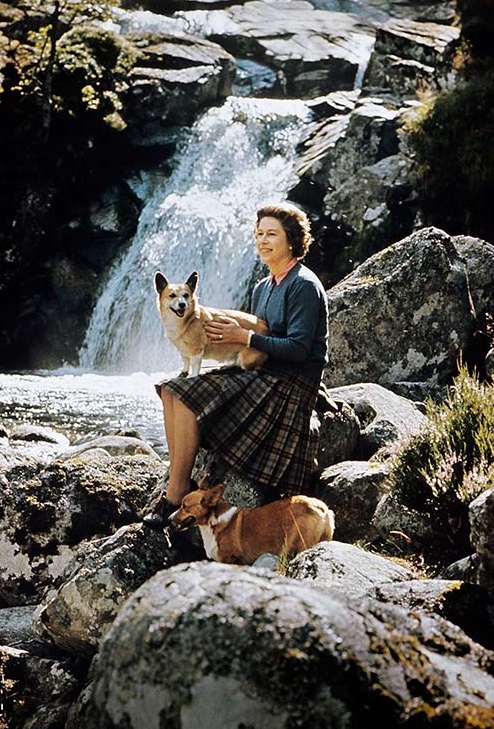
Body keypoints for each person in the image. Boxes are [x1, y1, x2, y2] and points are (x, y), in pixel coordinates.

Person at [143, 201, 329, 530]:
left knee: (188, 396)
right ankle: (179, 478)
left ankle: (174, 496)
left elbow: (299, 350)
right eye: (259, 234)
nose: (262, 240)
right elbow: (250, 339)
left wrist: (244, 337)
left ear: (292, 239)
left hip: (289, 382)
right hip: (259, 371)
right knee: (172, 389)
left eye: (272, 234)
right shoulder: (263, 286)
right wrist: (238, 339)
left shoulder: (304, 285)